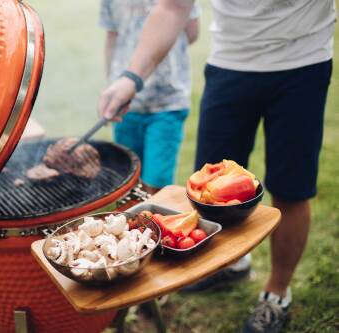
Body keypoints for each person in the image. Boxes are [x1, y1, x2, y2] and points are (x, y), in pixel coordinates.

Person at [97, 1, 335, 332]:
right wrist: (131, 78)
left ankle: (276, 293)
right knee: (207, 194)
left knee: (291, 190)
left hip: (302, 65)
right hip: (229, 66)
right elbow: (172, 7)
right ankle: (233, 267)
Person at [99, 0, 200, 194]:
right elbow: (192, 32)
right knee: (128, 179)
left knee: (156, 184)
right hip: (126, 103)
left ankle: (154, 221)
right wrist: (112, 85)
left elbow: (191, 30)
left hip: (167, 104)